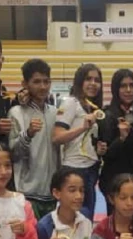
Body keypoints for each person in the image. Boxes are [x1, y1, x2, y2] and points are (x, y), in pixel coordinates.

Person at [52, 63, 108, 221]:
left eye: (97, 80)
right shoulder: (70, 103)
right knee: (73, 220)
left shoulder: (93, 107)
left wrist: (99, 149)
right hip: (74, 169)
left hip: (91, 168)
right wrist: (82, 128)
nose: (93, 83)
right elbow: (57, 137)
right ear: (79, 82)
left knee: (86, 221)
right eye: (88, 79)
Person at [9, 58, 60, 220]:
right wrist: (28, 134)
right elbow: (13, 153)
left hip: (53, 192)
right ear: (25, 83)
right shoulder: (16, 113)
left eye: (46, 81)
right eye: (37, 82)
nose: (43, 87)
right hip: (27, 193)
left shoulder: (56, 113)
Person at [99, 69, 133, 215]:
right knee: (117, 231)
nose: (129, 90)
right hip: (114, 183)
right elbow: (106, 155)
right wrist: (121, 138)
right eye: (123, 86)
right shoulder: (108, 115)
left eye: (132, 85)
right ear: (115, 89)